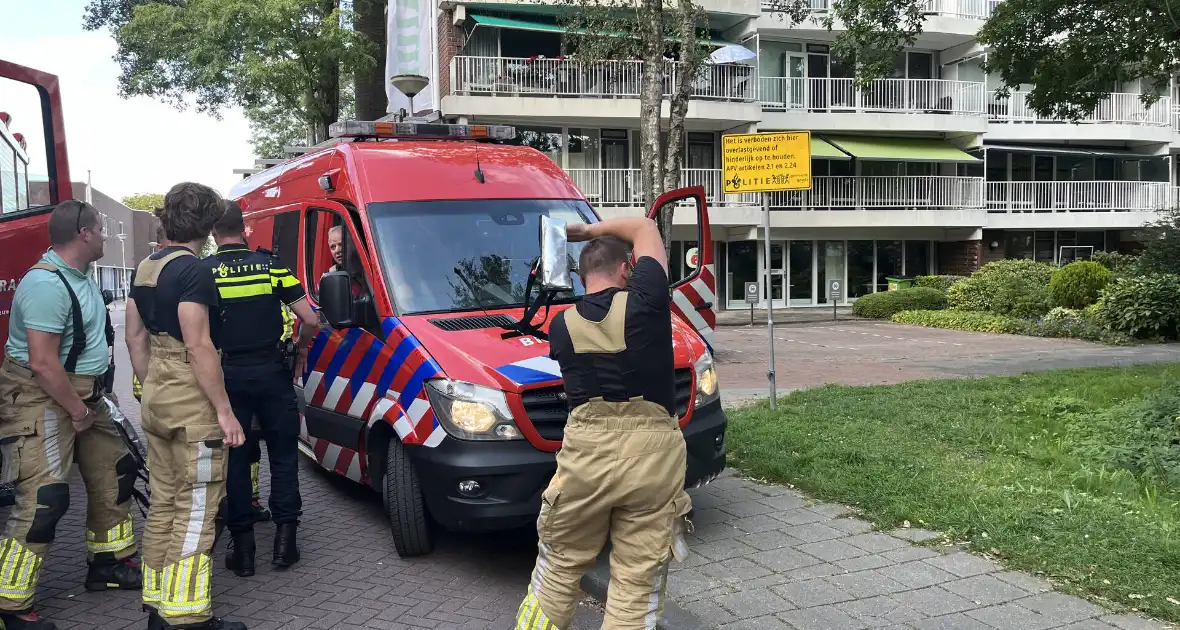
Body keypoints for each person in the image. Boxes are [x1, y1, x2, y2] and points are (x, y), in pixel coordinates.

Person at [514, 217, 693, 630]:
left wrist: (563, 240)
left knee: (557, 569)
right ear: (627, 269)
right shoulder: (646, 301)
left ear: (580, 277)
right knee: (635, 581)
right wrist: (588, 231)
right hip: (653, 459)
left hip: (585, 456)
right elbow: (645, 227)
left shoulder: (560, 326)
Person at [0, 200, 143, 630]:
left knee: (115, 473)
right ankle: (9, 604)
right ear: (84, 233)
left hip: (84, 397)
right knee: (45, 500)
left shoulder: (79, 278)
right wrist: (78, 410)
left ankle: (109, 563)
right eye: (101, 230)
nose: (104, 237)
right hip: (44, 399)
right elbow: (43, 364)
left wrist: (91, 402)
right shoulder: (46, 285)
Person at [125, 183, 246, 630]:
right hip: (192, 403)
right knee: (197, 510)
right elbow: (199, 346)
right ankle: (188, 616)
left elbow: (134, 337)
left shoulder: (146, 266)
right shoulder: (194, 272)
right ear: (208, 224)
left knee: (164, 504)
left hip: (157, 394)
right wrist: (224, 411)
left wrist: (150, 383)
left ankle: (159, 605)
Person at [204, 201, 316, 578]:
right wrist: (300, 349)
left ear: (212, 234)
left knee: (236, 461)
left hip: (229, 377)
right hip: (273, 373)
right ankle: (286, 544)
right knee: (284, 457)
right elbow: (310, 318)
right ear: (245, 229)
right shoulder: (271, 266)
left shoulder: (205, 272)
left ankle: (245, 550)